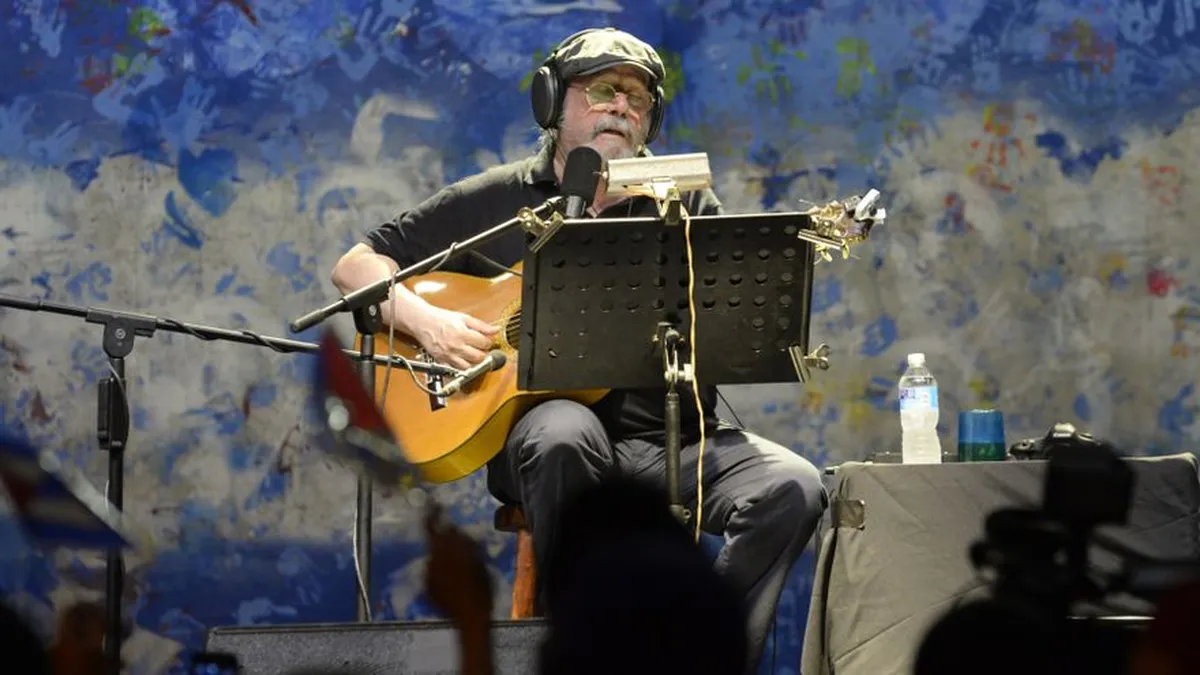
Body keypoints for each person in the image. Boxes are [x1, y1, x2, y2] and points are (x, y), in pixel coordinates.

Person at [329, 27, 828, 673]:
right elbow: (354, 266)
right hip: (554, 438)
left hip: (672, 439)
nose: (623, 106)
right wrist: (430, 323)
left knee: (794, 485)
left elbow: (727, 316)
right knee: (562, 429)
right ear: (552, 103)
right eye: (603, 91)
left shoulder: (683, 198)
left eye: (638, 98)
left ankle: (703, 657)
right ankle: (588, 654)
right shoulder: (498, 198)